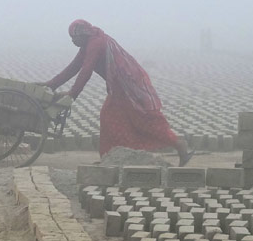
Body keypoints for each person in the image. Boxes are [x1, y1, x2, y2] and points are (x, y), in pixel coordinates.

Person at [40, 19, 193, 166]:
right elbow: (73, 68)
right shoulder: (88, 45)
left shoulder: (95, 43)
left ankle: (178, 144)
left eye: (74, 37)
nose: (73, 41)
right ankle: (110, 157)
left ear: (83, 34)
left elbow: (85, 71)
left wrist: (72, 94)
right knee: (112, 119)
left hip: (128, 85)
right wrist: (51, 85)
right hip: (118, 86)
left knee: (143, 119)